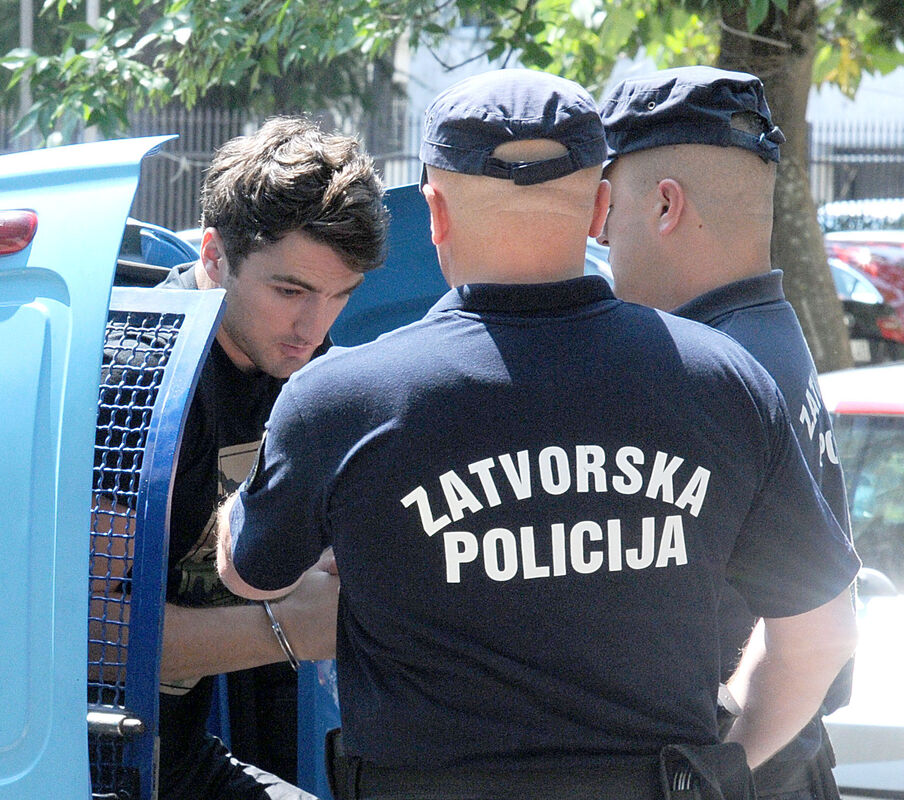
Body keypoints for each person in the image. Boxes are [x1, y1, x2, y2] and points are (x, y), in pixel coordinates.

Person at [214, 68, 860, 800]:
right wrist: (719, 772)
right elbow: (820, 637)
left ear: (435, 212)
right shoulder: (727, 381)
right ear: (599, 207)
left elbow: (250, 574)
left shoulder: (340, 399)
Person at [93, 115, 388, 800]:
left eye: (340, 296)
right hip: (90, 771)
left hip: (180, 761)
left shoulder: (302, 369)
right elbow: (87, 636)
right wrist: (285, 630)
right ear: (215, 254)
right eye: (290, 291)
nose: (313, 327)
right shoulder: (136, 380)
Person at [596, 66, 856, 800]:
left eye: (607, 208)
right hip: (788, 760)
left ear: (665, 205)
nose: (598, 235)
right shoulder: (769, 336)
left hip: (749, 768)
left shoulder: (709, 369)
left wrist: (717, 773)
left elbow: (821, 635)